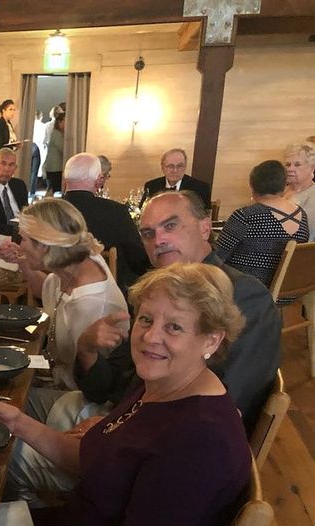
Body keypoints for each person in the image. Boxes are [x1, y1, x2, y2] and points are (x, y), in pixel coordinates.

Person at [0, 262, 250, 526]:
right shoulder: (159, 384)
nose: (151, 336)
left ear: (211, 340)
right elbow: (90, 457)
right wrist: (18, 422)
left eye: (174, 327)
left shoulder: (199, 441)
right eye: (147, 319)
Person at [76, 191, 281, 431]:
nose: (158, 240)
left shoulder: (244, 296)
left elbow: (225, 403)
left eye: (170, 226)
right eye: (148, 233)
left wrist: (119, 427)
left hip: (177, 445)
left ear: (205, 228)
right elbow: (116, 383)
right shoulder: (156, 292)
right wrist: (86, 349)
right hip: (125, 418)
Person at [14, 199, 127, 393]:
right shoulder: (76, 263)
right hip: (54, 378)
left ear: (44, 246)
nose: (19, 245)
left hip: (75, 400)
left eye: (23, 239)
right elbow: (46, 291)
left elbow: (93, 388)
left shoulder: (93, 304)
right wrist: (25, 264)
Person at [62, 153, 150, 294]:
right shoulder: (115, 212)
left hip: (52, 289)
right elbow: (138, 259)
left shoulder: (45, 211)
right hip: (103, 293)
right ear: (98, 180)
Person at [216, 160, 308, 288]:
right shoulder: (302, 215)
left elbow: (216, 257)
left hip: (246, 291)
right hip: (288, 292)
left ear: (253, 186)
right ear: (283, 184)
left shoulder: (246, 216)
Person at [0, 147, 29, 237]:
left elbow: (26, 212)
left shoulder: (19, 185)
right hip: (1, 236)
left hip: (24, 232)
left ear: (15, 168)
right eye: (3, 164)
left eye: (11, 165)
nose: (7, 169)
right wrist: (18, 231)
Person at [142, 148, 212, 208]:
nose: (175, 170)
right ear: (162, 167)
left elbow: (205, 216)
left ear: (185, 167)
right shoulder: (151, 186)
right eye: (171, 166)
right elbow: (143, 211)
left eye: (179, 166)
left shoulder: (201, 188)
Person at [283, 143, 315, 235]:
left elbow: (309, 232)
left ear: (312, 168)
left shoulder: (312, 194)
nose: (290, 169)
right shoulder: (280, 190)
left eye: (297, 165)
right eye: (288, 164)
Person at [42, 112, 65, 195]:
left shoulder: (57, 133)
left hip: (54, 167)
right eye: (65, 121)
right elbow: (63, 149)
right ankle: (46, 205)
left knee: (52, 189)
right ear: (59, 122)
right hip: (54, 168)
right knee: (52, 190)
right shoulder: (56, 134)